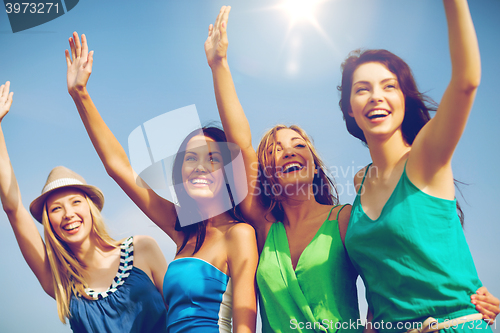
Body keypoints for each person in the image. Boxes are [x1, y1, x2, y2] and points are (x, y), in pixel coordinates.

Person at [205, 5, 500, 333]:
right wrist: (219, 65)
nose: (288, 151)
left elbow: (393, 274)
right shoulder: (267, 226)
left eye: (299, 145)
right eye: (275, 149)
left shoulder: (346, 218)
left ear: (315, 166)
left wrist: (468, 298)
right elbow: (241, 145)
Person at [65, 32, 258, 333]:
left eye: (213, 159)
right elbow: (118, 168)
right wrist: (80, 95)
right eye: (190, 159)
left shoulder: (239, 234)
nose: (200, 167)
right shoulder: (181, 230)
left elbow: (244, 327)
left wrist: (218, 63)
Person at [338, 0, 500, 331]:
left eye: (388, 86)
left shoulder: (426, 156)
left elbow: (466, 81)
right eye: (362, 89)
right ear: (350, 109)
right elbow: (385, 276)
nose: (375, 96)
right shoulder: (360, 181)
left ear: (404, 98)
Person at [0, 82, 168, 332]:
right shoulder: (60, 281)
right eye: (56, 208)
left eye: (76, 202)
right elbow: (13, 208)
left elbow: (181, 317)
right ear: (49, 222)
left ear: (91, 209)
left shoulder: (143, 248)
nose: (68, 214)